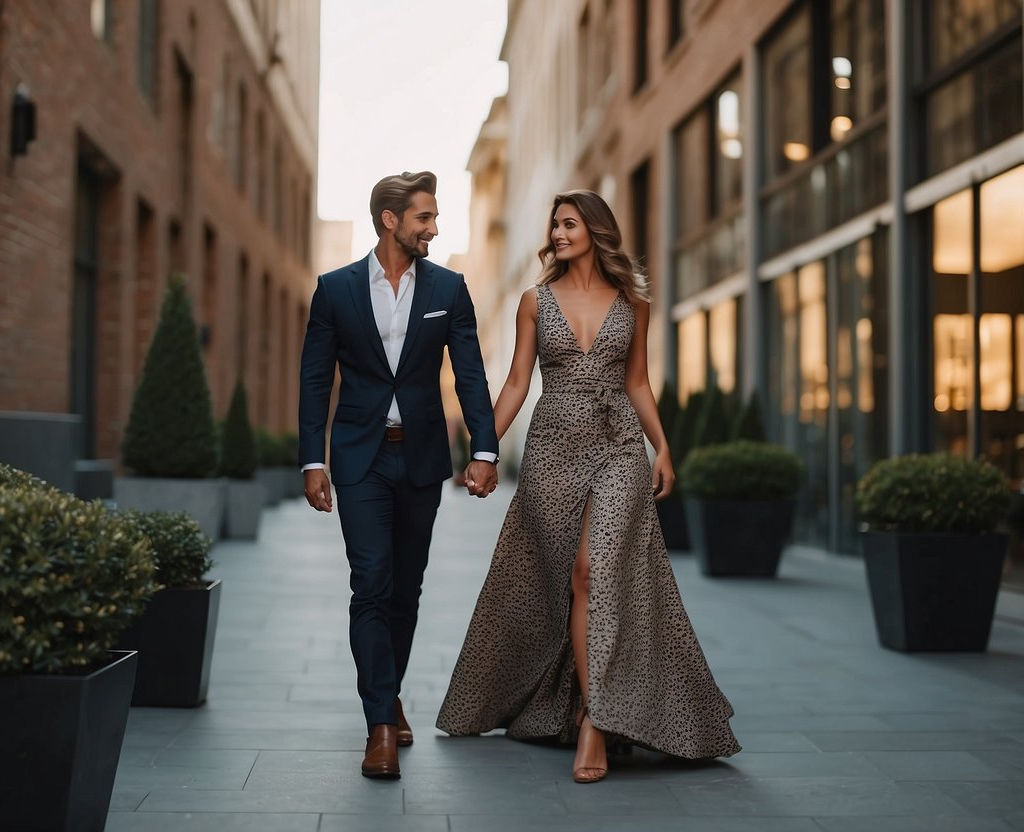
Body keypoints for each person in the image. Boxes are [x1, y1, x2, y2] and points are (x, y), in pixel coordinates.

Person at [436, 190, 740, 783]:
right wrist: (483, 448)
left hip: (619, 448)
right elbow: (519, 381)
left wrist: (663, 446)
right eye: (555, 224)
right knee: (560, 583)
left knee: (591, 572)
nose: (558, 232)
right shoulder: (533, 301)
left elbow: (639, 383)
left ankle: (595, 724)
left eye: (568, 223)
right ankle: (569, 702)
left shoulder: (633, 303)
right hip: (553, 450)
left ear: (595, 230)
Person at [298, 171, 499, 780]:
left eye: (435, 218)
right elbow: (314, 380)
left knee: (406, 588)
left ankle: (389, 694)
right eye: (425, 218)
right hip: (360, 456)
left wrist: (484, 448)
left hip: (420, 458)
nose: (434, 228)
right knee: (371, 582)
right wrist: (313, 460)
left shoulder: (449, 288)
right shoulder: (334, 291)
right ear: (391, 220)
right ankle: (380, 722)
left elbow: (469, 373)